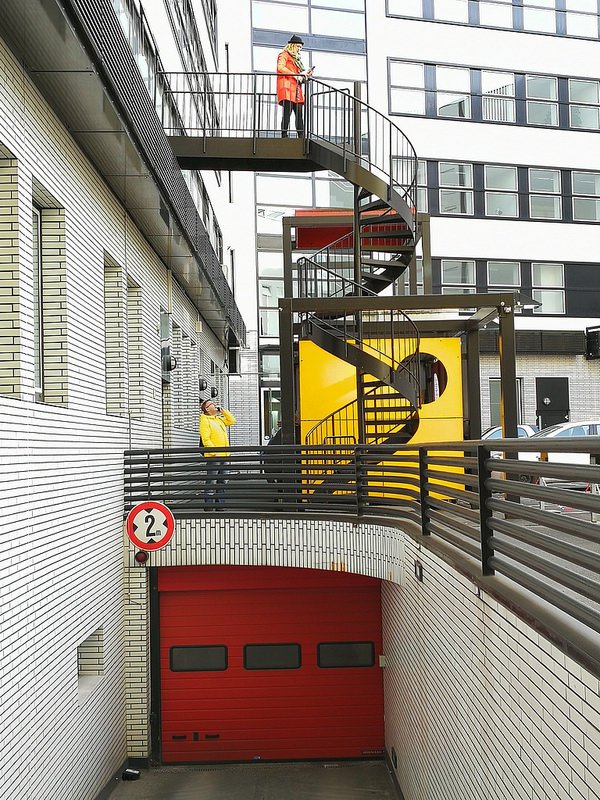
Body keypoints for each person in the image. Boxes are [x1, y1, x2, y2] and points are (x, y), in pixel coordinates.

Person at [276, 35, 313, 138]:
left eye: (300, 47)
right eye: (298, 46)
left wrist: (305, 76)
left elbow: (296, 75)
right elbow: (280, 67)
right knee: (287, 112)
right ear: (292, 45)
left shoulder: (295, 59)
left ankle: (301, 135)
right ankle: (284, 135)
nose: (299, 49)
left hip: (295, 88)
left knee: (299, 113)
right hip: (287, 87)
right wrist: (295, 75)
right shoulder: (284, 55)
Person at [199, 399, 236, 502]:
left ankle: (220, 504)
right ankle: (209, 505)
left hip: (225, 455)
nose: (215, 405)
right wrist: (214, 453)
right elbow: (206, 439)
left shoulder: (219, 419)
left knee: (223, 481)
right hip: (214, 456)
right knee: (211, 481)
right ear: (207, 409)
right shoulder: (205, 421)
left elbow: (232, 421)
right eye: (212, 404)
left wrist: (224, 412)